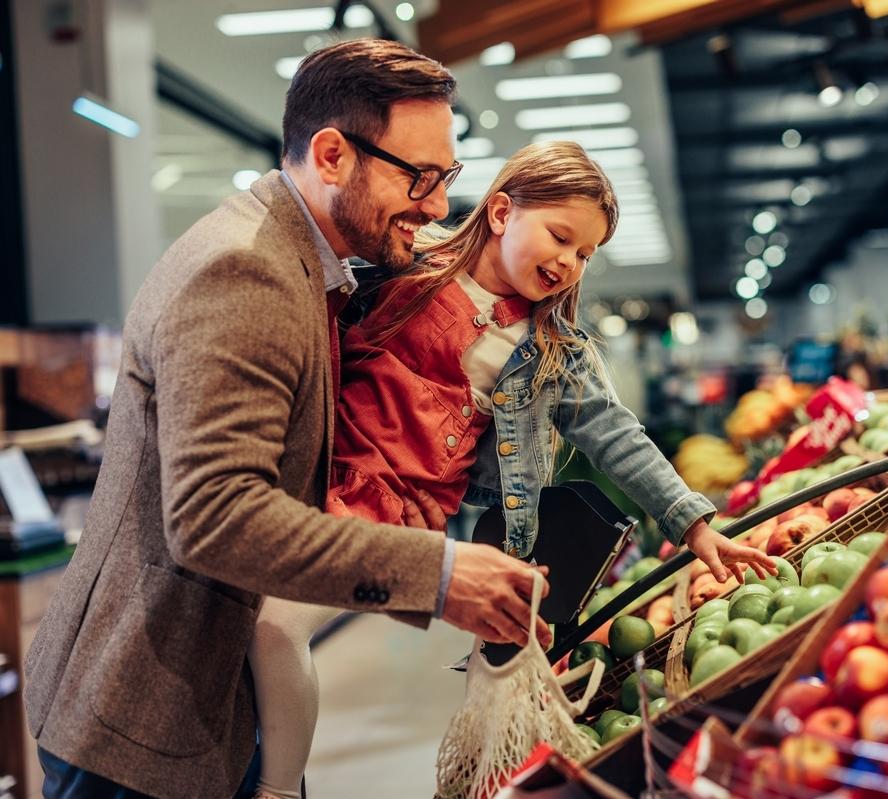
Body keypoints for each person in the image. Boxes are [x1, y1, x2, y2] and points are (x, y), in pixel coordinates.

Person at [23, 39, 551, 799]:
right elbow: (214, 514)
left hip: (206, 701)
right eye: (421, 177)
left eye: (448, 177)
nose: (438, 206)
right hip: (144, 726)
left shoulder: (306, 264)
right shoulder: (246, 271)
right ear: (332, 154)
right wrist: (436, 574)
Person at [248, 141, 777, 799]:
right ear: (501, 211)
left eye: (585, 253)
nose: (569, 262)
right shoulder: (403, 272)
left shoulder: (553, 351)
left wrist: (694, 523)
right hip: (307, 477)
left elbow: (617, 436)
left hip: (396, 514)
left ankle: (276, 790)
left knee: (278, 625)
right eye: (560, 236)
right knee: (255, 628)